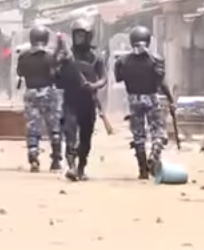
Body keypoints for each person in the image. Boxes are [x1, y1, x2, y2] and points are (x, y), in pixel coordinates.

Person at [114, 26, 176, 179]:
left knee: (138, 135)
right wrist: (171, 99)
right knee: (158, 131)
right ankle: (154, 156)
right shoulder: (156, 60)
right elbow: (162, 83)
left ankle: (142, 170)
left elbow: (118, 78)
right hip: (151, 97)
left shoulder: (122, 61)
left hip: (134, 99)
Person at [56, 18, 107, 181]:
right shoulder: (67, 55)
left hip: (88, 101)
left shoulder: (96, 58)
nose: (78, 38)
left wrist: (93, 86)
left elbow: (104, 78)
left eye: (81, 35)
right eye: (76, 34)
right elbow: (55, 75)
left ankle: (81, 167)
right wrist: (59, 62)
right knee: (70, 133)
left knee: (86, 136)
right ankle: (70, 166)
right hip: (71, 100)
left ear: (88, 36)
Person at [17, 25, 63, 172]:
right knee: (54, 126)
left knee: (33, 126)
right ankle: (56, 160)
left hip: (31, 92)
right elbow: (56, 74)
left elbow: (20, 73)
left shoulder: (23, 56)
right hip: (49, 92)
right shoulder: (50, 56)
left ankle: (33, 157)